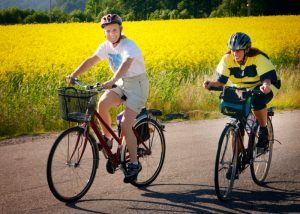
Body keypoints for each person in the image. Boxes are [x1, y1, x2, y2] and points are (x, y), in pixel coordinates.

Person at [66, 14, 149, 183]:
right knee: (102, 104)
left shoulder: (129, 45)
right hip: (120, 82)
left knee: (126, 124)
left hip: (137, 85)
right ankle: (108, 140)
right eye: (108, 30)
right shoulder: (106, 46)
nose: (112, 33)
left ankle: (134, 163)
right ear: (104, 32)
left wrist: (112, 80)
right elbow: (91, 60)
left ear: (121, 30)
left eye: (115, 30)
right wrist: (74, 75)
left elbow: (126, 64)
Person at [203, 32, 280, 154]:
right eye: (233, 50)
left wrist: (265, 85)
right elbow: (220, 82)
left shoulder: (258, 58)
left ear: (247, 50)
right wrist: (211, 84)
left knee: (257, 101)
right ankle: (236, 161)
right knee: (237, 116)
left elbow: (267, 78)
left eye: (238, 50)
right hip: (241, 88)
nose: (235, 53)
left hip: (263, 86)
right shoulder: (227, 59)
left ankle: (264, 131)